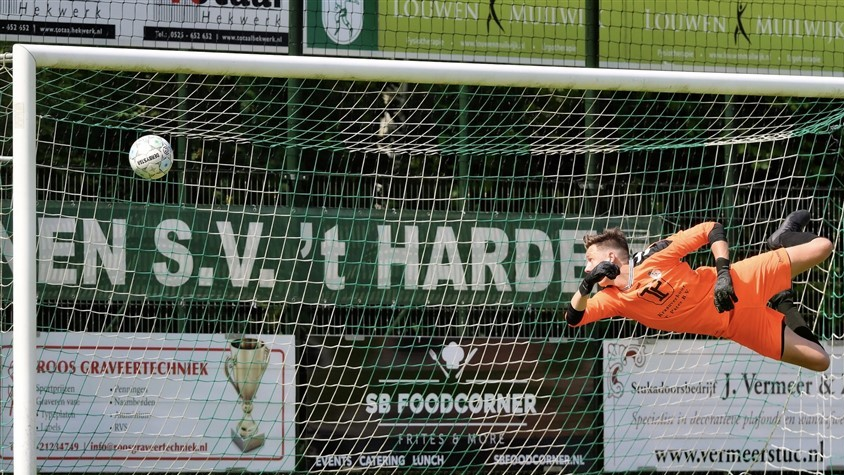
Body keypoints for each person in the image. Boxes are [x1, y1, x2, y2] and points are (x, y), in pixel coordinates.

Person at [565, 210, 833, 372]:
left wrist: (724, 274)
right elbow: (573, 318)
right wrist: (586, 286)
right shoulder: (614, 299)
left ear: (610, 257)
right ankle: (783, 301)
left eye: (589, 260)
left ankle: (781, 239)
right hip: (738, 325)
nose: (587, 269)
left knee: (822, 246)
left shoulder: (655, 255)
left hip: (741, 281)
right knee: (820, 360)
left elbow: (711, 229)